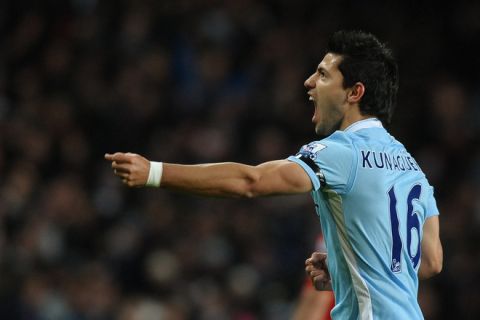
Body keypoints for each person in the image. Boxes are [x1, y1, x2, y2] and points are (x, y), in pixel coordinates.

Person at [105, 30, 443, 319]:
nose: (309, 82)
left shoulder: (342, 151)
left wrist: (154, 172)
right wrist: (346, 271)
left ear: (355, 93)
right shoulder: (412, 167)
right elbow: (430, 262)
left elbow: (251, 181)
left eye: (324, 75)